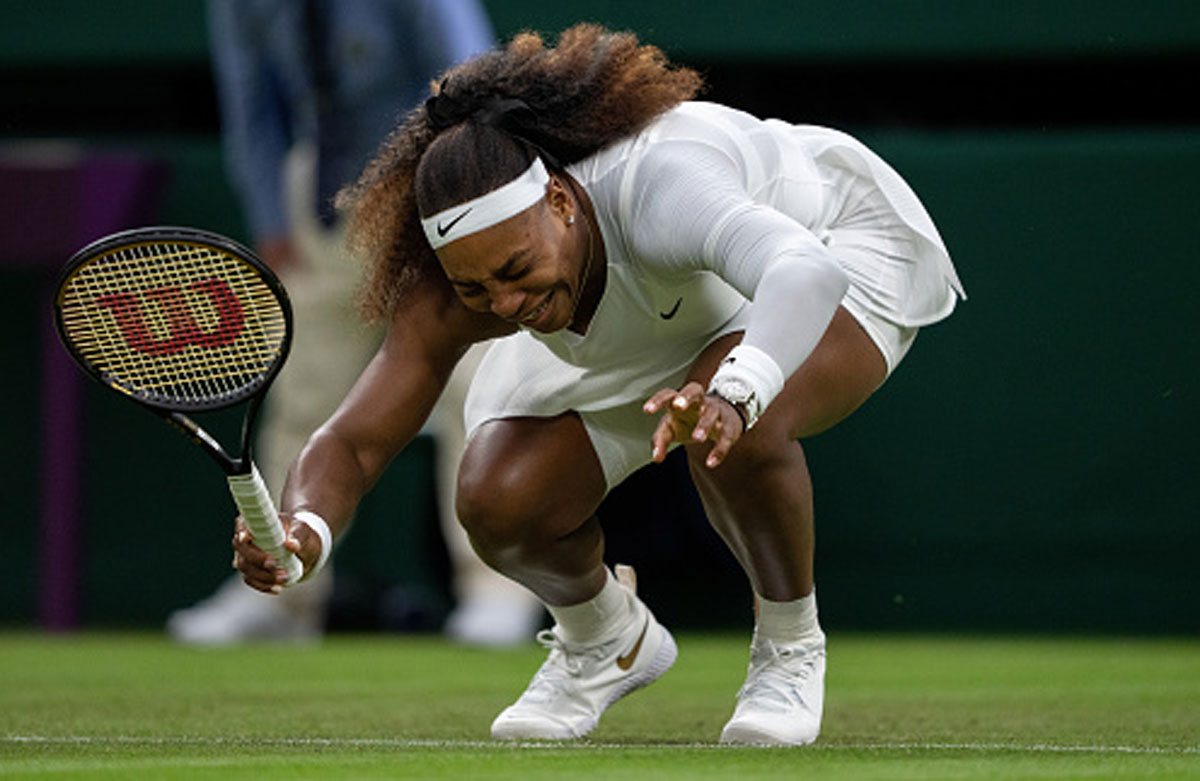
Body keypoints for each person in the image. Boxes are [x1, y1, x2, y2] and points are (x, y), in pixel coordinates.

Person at [230, 24, 966, 744]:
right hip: (645, 319)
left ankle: (789, 648)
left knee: (743, 419)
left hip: (833, 247)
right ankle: (605, 640)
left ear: (558, 201)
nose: (506, 304)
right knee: (496, 497)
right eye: (479, 289)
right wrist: (304, 530)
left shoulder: (661, 185)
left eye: (515, 271)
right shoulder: (463, 283)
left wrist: (736, 389)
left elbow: (801, 270)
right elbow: (354, 441)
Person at [168, 0, 544, 647]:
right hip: (324, 195)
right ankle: (284, 590)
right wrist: (269, 216)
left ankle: (498, 589)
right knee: (301, 395)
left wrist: (458, 196)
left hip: (434, 187)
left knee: (477, 389)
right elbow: (249, 97)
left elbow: (468, 76)